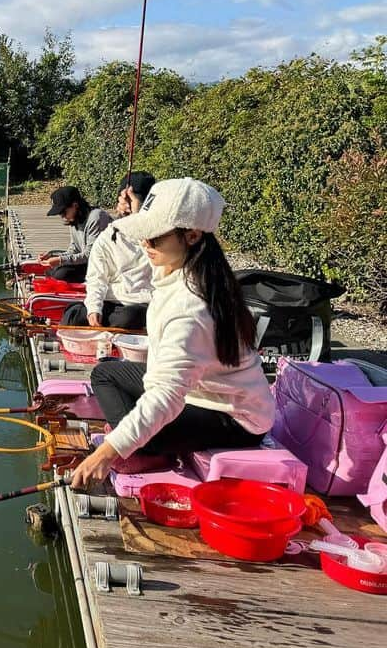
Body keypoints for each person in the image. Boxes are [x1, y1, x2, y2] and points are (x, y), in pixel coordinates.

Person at [70, 177, 275, 489]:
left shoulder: (192, 306)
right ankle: (139, 442)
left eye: (153, 239)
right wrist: (134, 208)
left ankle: (145, 452)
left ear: (191, 235)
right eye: (143, 236)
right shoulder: (183, 264)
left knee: (145, 427)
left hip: (234, 418)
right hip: (199, 391)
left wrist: (107, 453)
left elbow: (167, 397)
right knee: (106, 374)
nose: (144, 245)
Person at [59, 172, 155, 330]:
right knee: (73, 316)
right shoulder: (108, 236)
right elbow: (96, 278)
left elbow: (159, 267)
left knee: (129, 318)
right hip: (112, 301)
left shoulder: (159, 235)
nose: (128, 206)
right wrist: (94, 309)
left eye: (134, 200)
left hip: (141, 303)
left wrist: (139, 220)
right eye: (125, 200)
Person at [40, 186, 111, 283]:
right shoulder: (74, 219)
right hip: (89, 262)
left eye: (63, 212)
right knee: (51, 270)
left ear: (75, 205)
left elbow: (90, 255)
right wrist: (53, 256)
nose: (63, 217)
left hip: (104, 265)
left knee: (61, 274)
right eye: (60, 214)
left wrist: (60, 260)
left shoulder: (96, 218)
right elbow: (74, 249)